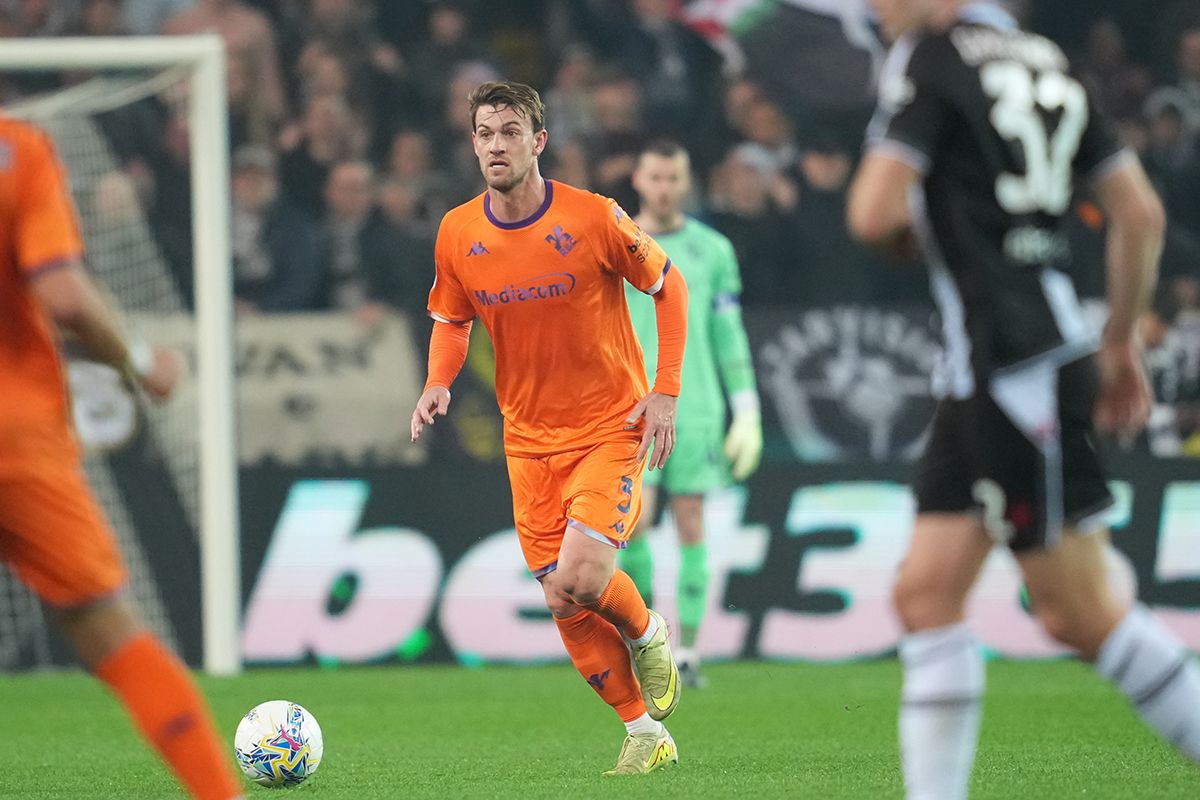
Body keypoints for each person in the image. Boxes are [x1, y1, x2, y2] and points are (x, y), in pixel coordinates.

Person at [847, 2, 1200, 798]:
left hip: (1014, 364)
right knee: (925, 594)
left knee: (1081, 613)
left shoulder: (930, 56)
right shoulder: (1045, 57)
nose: (874, 6)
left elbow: (872, 213)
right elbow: (1139, 213)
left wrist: (918, 236)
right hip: (998, 365)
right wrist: (1118, 341)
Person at [409, 81, 688, 775]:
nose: (495, 145)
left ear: (538, 141)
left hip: (608, 426)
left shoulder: (593, 216)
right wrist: (438, 381)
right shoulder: (457, 232)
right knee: (563, 599)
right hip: (527, 441)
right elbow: (451, 319)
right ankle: (643, 732)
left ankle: (648, 632)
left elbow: (669, 286)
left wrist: (665, 391)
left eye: (509, 132)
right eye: (484, 133)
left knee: (584, 578)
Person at [0, 117, 244, 799]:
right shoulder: (18, 151)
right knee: (103, 625)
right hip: (16, 436)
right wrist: (139, 359)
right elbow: (63, 295)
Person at [619, 140, 762, 688]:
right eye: (655, 177)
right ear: (638, 179)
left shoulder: (713, 251)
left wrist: (745, 409)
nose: (663, 188)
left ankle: (690, 653)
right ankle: (646, 647)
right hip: (632, 407)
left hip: (696, 407)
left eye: (673, 178)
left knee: (691, 523)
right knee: (634, 524)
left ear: (686, 182)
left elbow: (728, 334)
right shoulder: (616, 242)